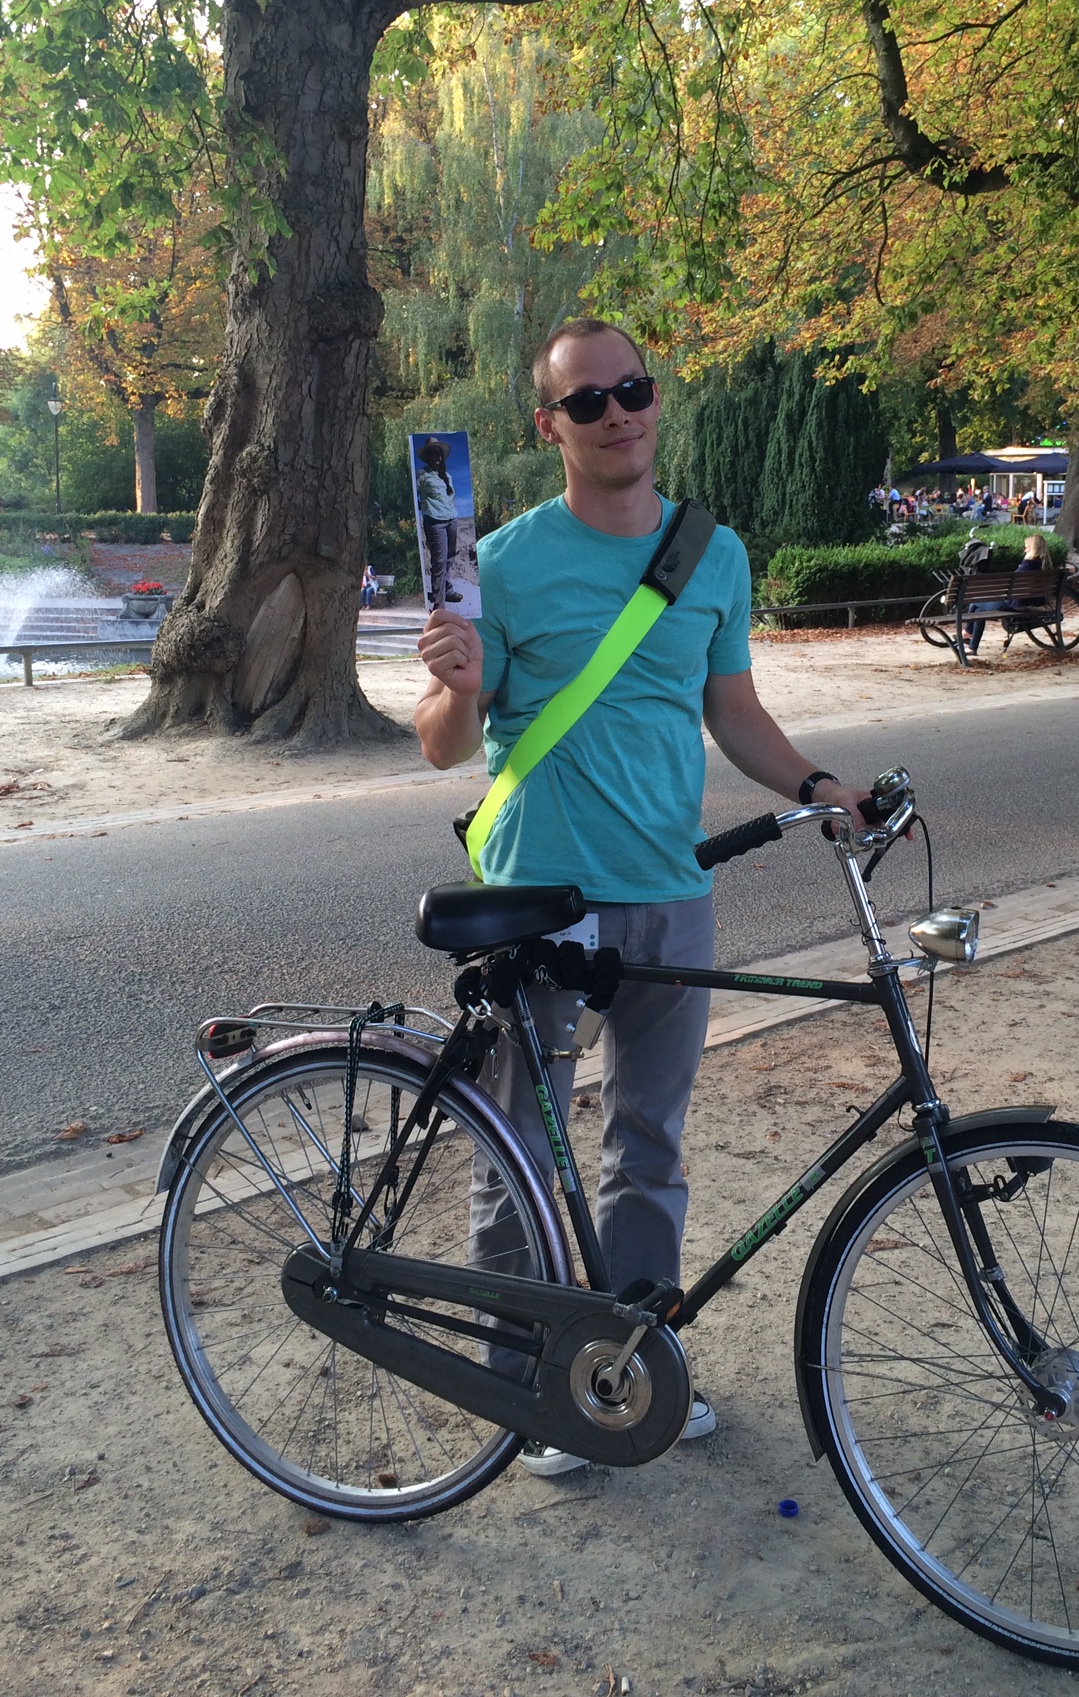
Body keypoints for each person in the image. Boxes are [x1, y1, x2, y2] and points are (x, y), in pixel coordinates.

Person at [413, 316, 871, 1477]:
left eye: (634, 389)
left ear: (656, 399)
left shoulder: (713, 553)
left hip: (672, 886)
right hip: (540, 895)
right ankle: (524, 1388)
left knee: (648, 1143)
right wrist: (456, 686)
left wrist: (818, 784)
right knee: (521, 1149)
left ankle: (621, 1367)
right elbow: (442, 743)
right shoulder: (499, 562)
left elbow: (734, 710)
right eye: (587, 401)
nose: (617, 413)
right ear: (550, 425)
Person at [955, 531, 1053, 662]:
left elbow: (1013, 583)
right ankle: (972, 646)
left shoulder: (1027, 565)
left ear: (1033, 549)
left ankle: (968, 632)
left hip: (1013, 604)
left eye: (1027, 547)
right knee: (978, 611)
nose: (1024, 550)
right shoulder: (1043, 565)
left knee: (974, 600)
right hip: (1029, 602)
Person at [415, 438, 463, 609]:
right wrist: (423, 507)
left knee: (450, 557)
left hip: (452, 519)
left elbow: (451, 498)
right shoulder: (422, 475)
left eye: (438, 454)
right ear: (427, 457)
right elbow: (413, 496)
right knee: (439, 561)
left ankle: (446, 590)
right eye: (432, 453)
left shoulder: (447, 476)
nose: (436, 457)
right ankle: (439, 604)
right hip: (435, 522)